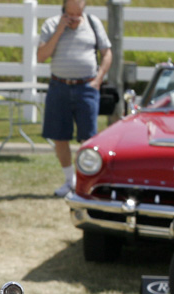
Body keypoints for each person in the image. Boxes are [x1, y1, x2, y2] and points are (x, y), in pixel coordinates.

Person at [37, 0, 111, 198]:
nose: (74, 20)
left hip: (87, 87)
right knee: (59, 137)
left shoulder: (94, 24)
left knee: (88, 138)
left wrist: (99, 77)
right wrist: (60, 29)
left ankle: (87, 181)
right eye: (70, 15)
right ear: (64, 9)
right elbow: (41, 56)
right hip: (59, 86)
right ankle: (69, 180)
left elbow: (107, 53)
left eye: (77, 16)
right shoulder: (51, 24)